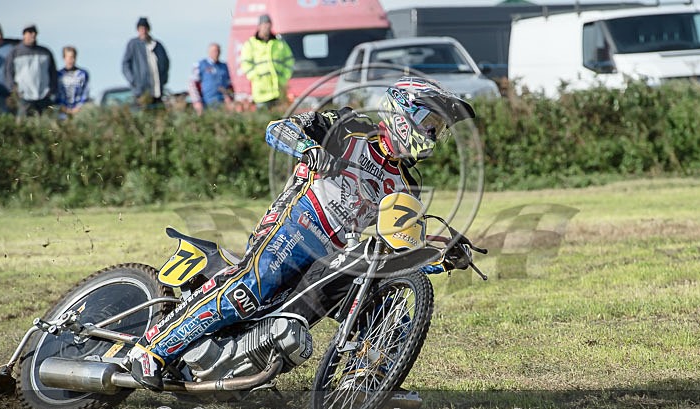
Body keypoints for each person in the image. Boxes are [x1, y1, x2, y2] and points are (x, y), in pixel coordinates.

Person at [126, 76, 476, 391]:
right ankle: (152, 349)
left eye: (439, 129)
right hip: (295, 223)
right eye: (430, 124)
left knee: (381, 298)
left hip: (334, 254)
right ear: (404, 115)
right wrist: (309, 148)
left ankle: (371, 381)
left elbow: (399, 245)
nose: (433, 136)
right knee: (250, 288)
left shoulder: (407, 186)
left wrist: (443, 256)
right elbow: (279, 127)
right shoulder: (350, 127)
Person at [238, 14, 294, 109]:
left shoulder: (280, 43)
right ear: (259, 26)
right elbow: (245, 64)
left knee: (280, 121)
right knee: (263, 121)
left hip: (278, 91)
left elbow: (289, 61)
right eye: (264, 25)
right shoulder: (251, 44)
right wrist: (256, 77)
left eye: (269, 24)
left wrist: (285, 77)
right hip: (261, 93)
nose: (267, 27)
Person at [5, 24, 57, 118]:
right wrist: (13, 89)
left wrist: (51, 90)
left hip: (44, 96)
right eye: (29, 32)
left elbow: (53, 72)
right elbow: (8, 73)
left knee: (48, 126)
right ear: (24, 34)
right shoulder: (15, 52)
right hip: (24, 97)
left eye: (34, 32)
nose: (32, 34)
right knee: (24, 125)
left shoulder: (45, 52)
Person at [122, 17, 169, 108]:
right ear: (138, 30)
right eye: (141, 29)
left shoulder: (157, 45)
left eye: (145, 28)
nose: (143, 31)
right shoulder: (133, 44)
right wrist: (133, 80)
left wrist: (164, 79)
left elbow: (166, 63)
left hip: (157, 89)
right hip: (141, 90)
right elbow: (125, 64)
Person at [188, 42, 232, 115]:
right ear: (209, 52)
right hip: (206, 102)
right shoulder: (201, 64)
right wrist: (196, 101)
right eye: (214, 51)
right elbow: (192, 84)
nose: (216, 53)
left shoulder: (224, 67)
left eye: (218, 51)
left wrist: (229, 98)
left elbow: (228, 84)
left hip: (221, 104)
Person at [55, 46, 89, 117]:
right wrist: (62, 107)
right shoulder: (58, 75)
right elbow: (56, 93)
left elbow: (85, 92)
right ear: (64, 58)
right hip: (62, 111)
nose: (71, 60)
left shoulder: (82, 74)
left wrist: (79, 107)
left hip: (78, 112)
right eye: (69, 57)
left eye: (73, 57)